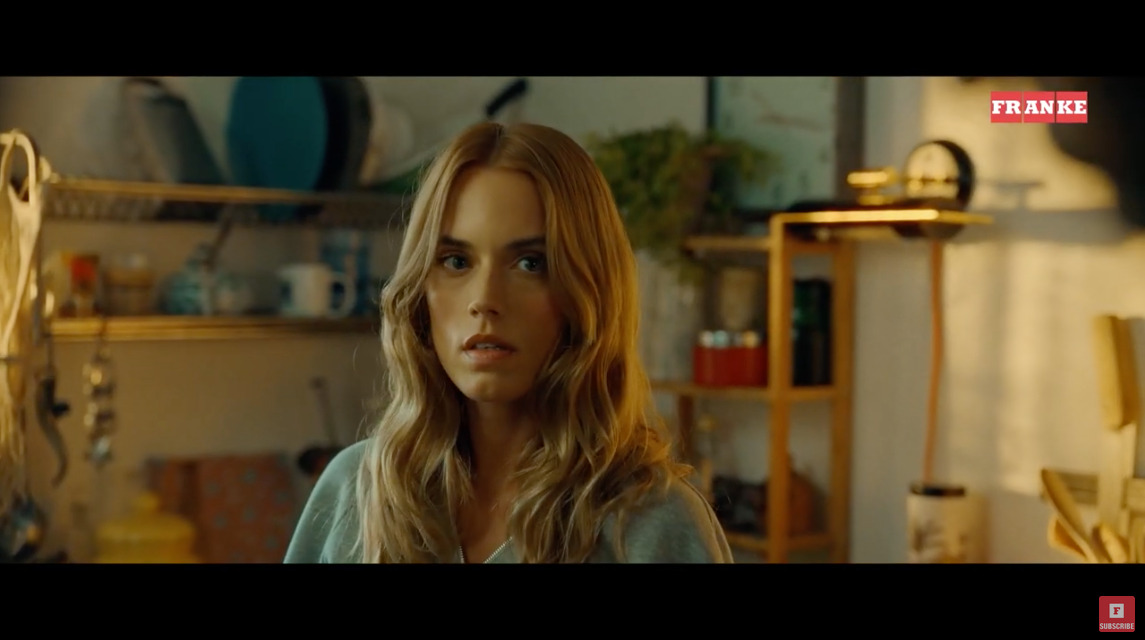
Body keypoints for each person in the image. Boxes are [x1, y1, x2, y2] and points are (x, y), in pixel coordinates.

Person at [284, 121, 734, 563]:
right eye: (456, 261)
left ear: (589, 291)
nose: (485, 299)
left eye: (530, 263)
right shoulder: (354, 492)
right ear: (420, 290)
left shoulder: (650, 524)